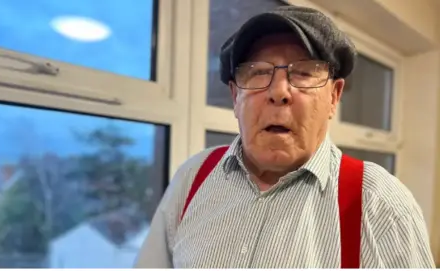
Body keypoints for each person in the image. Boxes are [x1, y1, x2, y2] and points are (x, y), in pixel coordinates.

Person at [134, 5, 435, 269]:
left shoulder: (378, 202)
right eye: (258, 72)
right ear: (235, 96)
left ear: (334, 96)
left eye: (304, 73)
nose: (278, 91)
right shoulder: (192, 178)